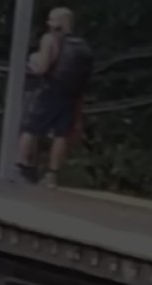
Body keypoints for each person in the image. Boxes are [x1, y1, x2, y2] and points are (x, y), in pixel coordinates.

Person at [16, 7, 94, 189]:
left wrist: (31, 65)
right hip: (70, 95)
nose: (48, 23)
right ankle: (52, 176)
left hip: (49, 90)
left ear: (60, 22)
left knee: (31, 127)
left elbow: (42, 67)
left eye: (52, 20)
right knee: (61, 135)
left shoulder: (50, 39)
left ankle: (20, 168)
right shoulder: (80, 44)